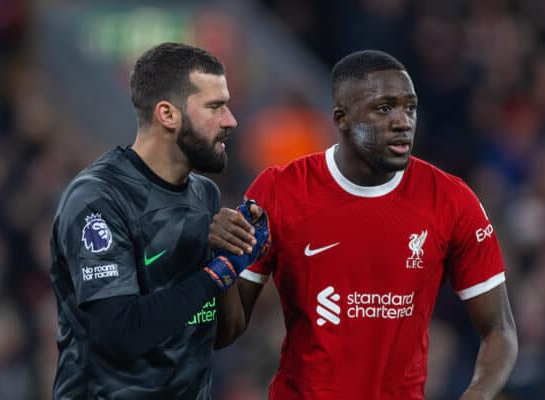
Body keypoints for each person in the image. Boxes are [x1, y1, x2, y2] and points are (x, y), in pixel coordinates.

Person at [214, 50, 518, 399]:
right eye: (384, 108)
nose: (403, 121)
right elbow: (227, 332)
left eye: (410, 107)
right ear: (342, 117)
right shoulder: (279, 190)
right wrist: (221, 263)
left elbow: (499, 329)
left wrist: (477, 395)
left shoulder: (451, 200)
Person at [49, 42, 269, 399]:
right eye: (215, 107)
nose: (231, 120)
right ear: (168, 115)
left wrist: (234, 256)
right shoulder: (99, 199)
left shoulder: (205, 196)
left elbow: (218, 335)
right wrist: (214, 276)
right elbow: (119, 334)